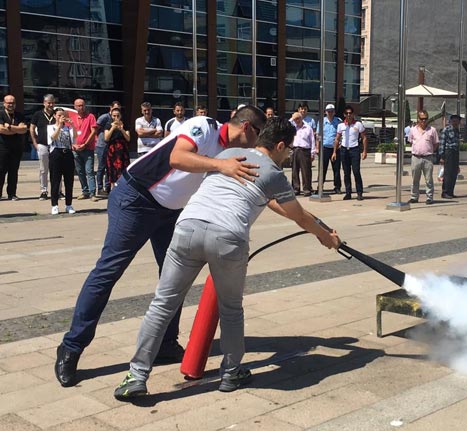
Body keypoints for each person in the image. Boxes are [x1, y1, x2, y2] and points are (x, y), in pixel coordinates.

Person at [113, 117, 341, 400]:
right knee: (231, 309)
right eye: (289, 149)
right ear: (280, 145)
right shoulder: (275, 174)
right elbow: (298, 215)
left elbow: (264, 199)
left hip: (188, 227)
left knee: (162, 304)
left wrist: (318, 228)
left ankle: (136, 375)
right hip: (228, 237)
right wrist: (325, 236)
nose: (289, 154)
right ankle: (231, 373)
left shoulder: (226, 156)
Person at [54, 106, 266, 388]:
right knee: (108, 272)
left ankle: (166, 343)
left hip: (170, 211)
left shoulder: (230, 153)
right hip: (135, 198)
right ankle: (71, 348)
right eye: (259, 135)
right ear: (249, 127)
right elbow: (177, 157)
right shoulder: (205, 127)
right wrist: (220, 165)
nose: (258, 144)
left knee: (173, 277)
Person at [333, 105, 367, 201]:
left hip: (354, 149)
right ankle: (348, 192)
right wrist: (334, 152)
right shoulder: (341, 126)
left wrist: (364, 151)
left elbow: (364, 137)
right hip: (344, 150)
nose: (348, 115)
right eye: (347, 113)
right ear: (344, 115)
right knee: (346, 172)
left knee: (356, 171)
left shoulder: (358, 124)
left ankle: (359, 192)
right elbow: (337, 139)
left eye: (350, 113)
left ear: (353, 114)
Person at [47, 108, 76, 215]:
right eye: (59, 115)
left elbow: (74, 138)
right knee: (55, 180)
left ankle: (69, 204)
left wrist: (73, 126)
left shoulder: (68, 128)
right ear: (54, 116)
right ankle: (54, 205)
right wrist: (59, 125)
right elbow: (52, 138)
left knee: (69, 180)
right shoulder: (51, 127)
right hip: (56, 154)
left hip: (67, 153)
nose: (61, 117)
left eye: (63, 115)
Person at [0, 94, 29, 200]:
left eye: (12, 102)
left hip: (16, 148)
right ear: (4, 103)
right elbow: (1, 130)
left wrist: (10, 127)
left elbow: (24, 129)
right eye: (8, 102)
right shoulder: (1, 114)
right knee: (1, 171)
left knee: (13, 172)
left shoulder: (19, 115)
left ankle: (12, 194)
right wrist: (16, 129)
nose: (11, 104)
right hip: (2, 147)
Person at [408, 110, 439, 205]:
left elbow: (436, 143)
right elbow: (410, 141)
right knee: (415, 179)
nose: (424, 121)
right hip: (416, 157)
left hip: (428, 158)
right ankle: (414, 197)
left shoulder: (432, 130)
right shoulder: (413, 130)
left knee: (429, 179)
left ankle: (429, 197)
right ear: (418, 119)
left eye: (425, 118)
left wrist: (429, 151)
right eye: (422, 119)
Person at [29, 94, 56, 200]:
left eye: (52, 102)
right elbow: (31, 128)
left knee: (56, 169)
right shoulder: (38, 114)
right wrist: (34, 143)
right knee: (43, 169)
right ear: (44, 103)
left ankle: (58, 191)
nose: (50, 104)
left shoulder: (57, 113)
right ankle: (44, 191)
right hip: (43, 144)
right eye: (48, 102)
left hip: (55, 145)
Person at [72, 98, 99, 201]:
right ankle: (85, 191)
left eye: (82, 105)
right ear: (74, 107)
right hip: (76, 149)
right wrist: (73, 145)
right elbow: (69, 133)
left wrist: (85, 143)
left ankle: (92, 193)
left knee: (89, 171)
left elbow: (93, 132)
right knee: (80, 171)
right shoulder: (72, 118)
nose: (81, 107)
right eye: (78, 105)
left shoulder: (90, 117)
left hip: (87, 148)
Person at [94, 101, 122, 196]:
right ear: (110, 108)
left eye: (118, 108)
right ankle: (100, 188)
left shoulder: (119, 119)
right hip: (102, 145)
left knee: (109, 167)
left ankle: (107, 187)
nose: (116, 110)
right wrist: (98, 138)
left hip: (112, 146)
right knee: (101, 167)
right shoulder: (104, 117)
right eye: (114, 108)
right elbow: (96, 128)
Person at [290, 112, 316, 196]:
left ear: (301, 118)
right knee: (294, 171)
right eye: (294, 119)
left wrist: (313, 152)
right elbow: (288, 123)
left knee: (306, 171)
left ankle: (307, 189)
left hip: (305, 150)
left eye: (297, 119)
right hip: (295, 150)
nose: (296, 121)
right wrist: (292, 118)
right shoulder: (293, 128)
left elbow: (312, 140)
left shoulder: (308, 128)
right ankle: (295, 189)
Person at [104, 107, 131, 187]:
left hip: (123, 150)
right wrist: (112, 128)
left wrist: (121, 129)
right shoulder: (108, 124)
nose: (116, 118)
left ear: (120, 116)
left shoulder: (125, 124)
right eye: (114, 116)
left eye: (117, 116)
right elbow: (106, 138)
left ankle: (123, 188)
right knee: (112, 170)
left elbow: (128, 138)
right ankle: (113, 188)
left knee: (123, 169)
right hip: (113, 150)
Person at [321, 103, 342, 194]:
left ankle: (337, 187)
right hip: (325, 148)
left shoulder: (338, 121)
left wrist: (341, 144)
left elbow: (342, 134)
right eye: (328, 111)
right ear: (325, 112)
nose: (330, 113)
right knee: (323, 169)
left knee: (336, 169)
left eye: (331, 111)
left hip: (335, 149)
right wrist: (317, 148)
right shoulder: (322, 121)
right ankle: (320, 186)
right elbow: (318, 136)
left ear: (334, 112)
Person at [439, 114, 461, 199]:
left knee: (454, 173)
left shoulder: (457, 131)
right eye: (454, 121)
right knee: (447, 173)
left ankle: (451, 192)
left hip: (455, 152)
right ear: (451, 121)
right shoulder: (446, 130)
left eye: (457, 121)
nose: (455, 123)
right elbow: (442, 143)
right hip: (448, 152)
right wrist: (442, 156)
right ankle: (445, 192)